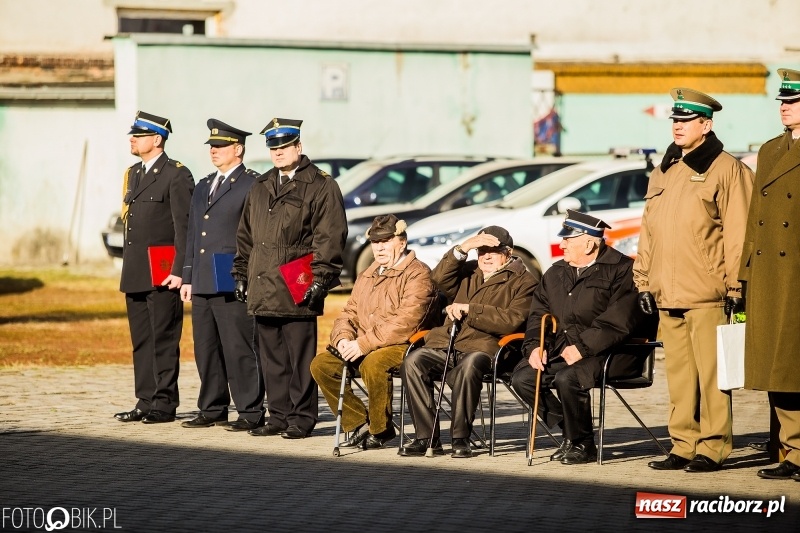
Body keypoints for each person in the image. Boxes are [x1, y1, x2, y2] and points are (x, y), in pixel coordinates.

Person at [633, 88, 753, 472]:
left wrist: (736, 286)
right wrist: (643, 282)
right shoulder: (663, 170)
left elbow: (739, 233)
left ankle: (714, 446)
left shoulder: (726, 169)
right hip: (667, 292)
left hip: (709, 292)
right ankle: (683, 444)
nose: (678, 126)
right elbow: (648, 233)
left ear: (707, 124)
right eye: (675, 120)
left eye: (686, 121)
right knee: (681, 378)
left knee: (714, 377)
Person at [232, 117, 347, 439]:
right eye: (273, 147)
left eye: (284, 146)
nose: (278, 153)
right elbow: (245, 235)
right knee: (271, 358)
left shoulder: (321, 185)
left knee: (300, 357)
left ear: (298, 146)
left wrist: (321, 280)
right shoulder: (262, 185)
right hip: (264, 282)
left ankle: (302, 417)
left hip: (297, 282)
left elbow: (330, 237)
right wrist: (241, 272)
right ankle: (279, 415)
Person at [511, 210, 649, 464]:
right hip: (567, 350)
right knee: (523, 378)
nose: (561, 244)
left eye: (567, 239)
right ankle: (571, 433)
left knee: (568, 377)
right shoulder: (556, 272)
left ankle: (583, 444)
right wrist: (535, 346)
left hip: (613, 352)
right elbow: (537, 315)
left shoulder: (622, 270)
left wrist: (583, 347)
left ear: (589, 243)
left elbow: (619, 321)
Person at [399, 226, 537, 458]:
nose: (486, 257)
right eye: (481, 251)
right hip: (449, 343)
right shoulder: (469, 272)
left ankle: (460, 438)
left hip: (488, 347)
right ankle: (426, 437)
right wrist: (463, 248)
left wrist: (471, 310)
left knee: (468, 367)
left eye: (493, 251)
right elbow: (438, 278)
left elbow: (511, 321)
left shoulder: (524, 280)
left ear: (509, 252)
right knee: (413, 361)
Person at [310, 214, 438, 449]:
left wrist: (363, 344)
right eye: (375, 242)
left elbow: (406, 322)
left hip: (404, 345)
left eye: (386, 241)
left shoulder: (418, 273)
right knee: (322, 364)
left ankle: (380, 429)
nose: (379, 247)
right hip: (366, 343)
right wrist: (343, 339)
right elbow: (348, 313)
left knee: (374, 363)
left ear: (402, 242)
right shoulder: (367, 274)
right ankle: (358, 422)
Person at [179, 119, 265, 432]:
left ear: (238, 149)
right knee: (206, 348)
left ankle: (250, 410)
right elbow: (192, 235)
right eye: (212, 147)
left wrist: (248, 274)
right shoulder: (203, 185)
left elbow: (255, 234)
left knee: (238, 347)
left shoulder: (251, 184)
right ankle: (213, 407)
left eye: (220, 147)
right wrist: (187, 275)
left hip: (232, 276)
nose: (214, 151)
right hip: (202, 278)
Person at [739, 68, 800, 481]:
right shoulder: (770, 149)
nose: (784, 107)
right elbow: (755, 218)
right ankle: (792, 453)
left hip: (795, 272)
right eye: (781, 101)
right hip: (770, 275)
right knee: (778, 367)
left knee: (794, 364)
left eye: (792, 101)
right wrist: (743, 273)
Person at [114, 111, 194, 424]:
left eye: (140, 135)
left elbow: (183, 227)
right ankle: (145, 400)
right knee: (142, 341)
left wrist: (180, 269)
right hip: (135, 270)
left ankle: (164, 402)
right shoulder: (133, 173)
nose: (133, 139)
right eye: (133, 135)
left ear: (157, 140)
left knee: (163, 339)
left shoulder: (176, 174)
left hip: (163, 271)